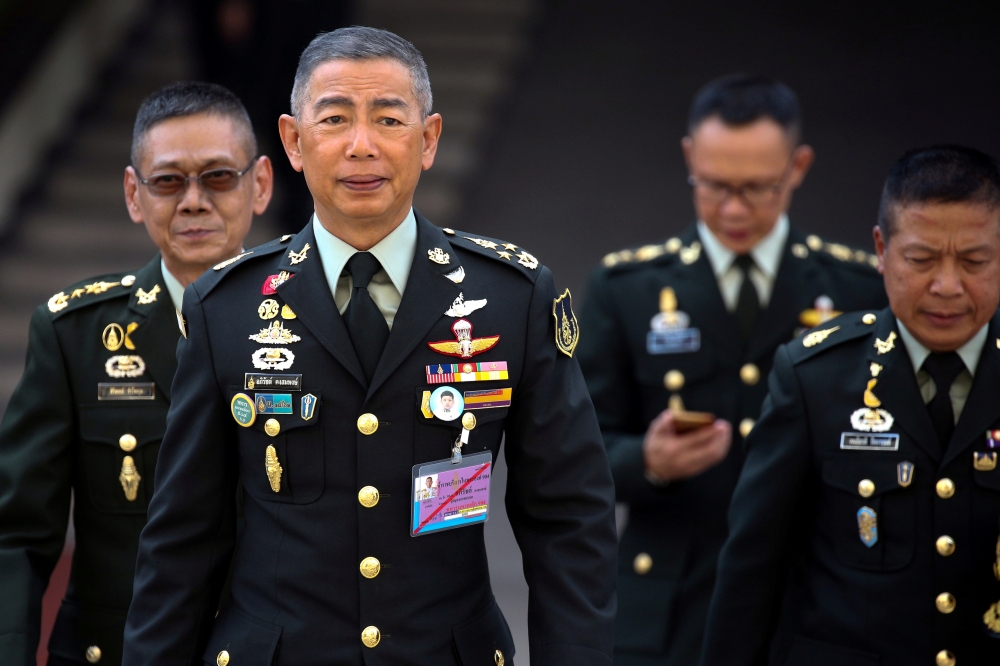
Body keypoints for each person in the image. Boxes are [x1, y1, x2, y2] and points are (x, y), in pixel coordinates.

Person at [123, 27, 617, 666]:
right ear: (295, 143)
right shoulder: (227, 309)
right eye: (333, 120)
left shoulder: (511, 298)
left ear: (429, 139)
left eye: (388, 118)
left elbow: (569, 522)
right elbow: (183, 542)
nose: (362, 146)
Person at [576, 74, 888, 665]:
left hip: (808, 605)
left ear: (797, 168)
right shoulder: (628, 289)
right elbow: (576, 453)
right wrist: (647, 460)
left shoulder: (858, 288)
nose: (734, 209)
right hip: (668, 611)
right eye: (715, 186)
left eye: (758, 188)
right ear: (690, 157)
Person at [0, 82, 272, 666]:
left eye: (219, 177)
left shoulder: (314, 327)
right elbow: (17, 536)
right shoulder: (73, 335)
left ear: (261, 184)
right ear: (133, 193)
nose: (194, 201)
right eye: (169, 181)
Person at [702, 145, 1000, 666]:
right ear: (882, 250)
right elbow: (752, 573)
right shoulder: (816, 378)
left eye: (975, 261)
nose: (948, 286)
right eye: (921, 259)